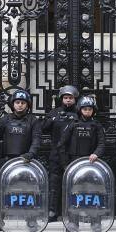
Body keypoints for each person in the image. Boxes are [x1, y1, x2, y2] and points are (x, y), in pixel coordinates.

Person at [0, 88, 42, 232]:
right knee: (3, 191)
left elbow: (36, 140)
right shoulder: (5, 119)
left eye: (23, 103)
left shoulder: (33, 120)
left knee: (28, 191)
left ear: (27, 105)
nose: (20, 105)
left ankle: (31, 219)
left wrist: (30, 154)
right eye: (17, 102)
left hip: (26, 161)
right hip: (7, 161)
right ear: (13, 104)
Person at [57, 95, 106, 232]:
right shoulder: (73, 125)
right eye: (85, 109)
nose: (87, 111)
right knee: (75, 193)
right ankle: (73, 222)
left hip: (92, 166)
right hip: (75, 164)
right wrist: (66, 165)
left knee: (94, 193)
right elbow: (62, 145)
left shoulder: (96, 126)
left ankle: (96, 222)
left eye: (90, 109)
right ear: (80, 109)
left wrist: (96, 153)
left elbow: (102, 143)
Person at [43, 85, 79, 221]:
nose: (68, 100)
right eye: (66, 98)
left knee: (74, 183)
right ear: (61, 99)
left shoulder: (79, 112)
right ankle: (53, 211)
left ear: (75, 99)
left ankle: (71, 211)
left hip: (73, 153)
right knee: (54, 182)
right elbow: (44, 128)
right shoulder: (55, 112)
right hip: (56, 153)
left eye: (70, 98)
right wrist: (53, 119)